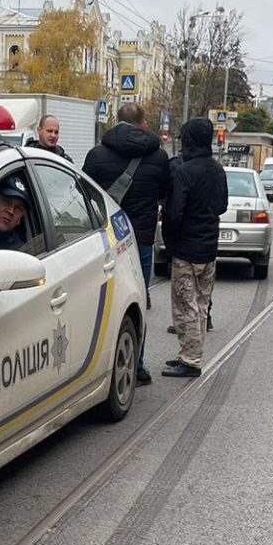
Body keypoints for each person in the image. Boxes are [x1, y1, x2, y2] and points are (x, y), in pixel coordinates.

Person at [83, 102, 171, 385]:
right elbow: (164, 193)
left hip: (102, 241)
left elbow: (83, 196)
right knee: (136, 300)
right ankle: (136, 365)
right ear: (143, 124)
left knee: (94, 302)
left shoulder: (96, 154)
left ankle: (94, 365)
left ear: (116, 121)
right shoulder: (158, 157)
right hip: (140, 241)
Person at [161, 117, 226, 378]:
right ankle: (191, 354)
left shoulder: (184, 172)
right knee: (200, 304)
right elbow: (222, 205)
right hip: (209, 247)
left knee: (184, 304)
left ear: (188, 141)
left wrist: (171, 235)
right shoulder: (217, 169)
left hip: (186, 249)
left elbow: (174, 213)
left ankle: (190, 360)